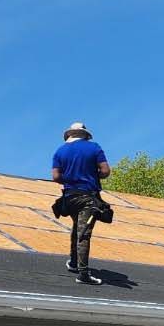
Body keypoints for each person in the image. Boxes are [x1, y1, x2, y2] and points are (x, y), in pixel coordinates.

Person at [50, 121, 112, 285]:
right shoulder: (94, 148)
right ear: (85, 135)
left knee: (77, 227)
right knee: (84, 233)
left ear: (70, 135)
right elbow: (105, 171)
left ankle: (73, 262)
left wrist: (70, 178)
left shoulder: (60, 151)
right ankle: (83, 274)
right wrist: (91, 175)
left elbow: (56, 177)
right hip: (87, 198)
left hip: (69, 198)